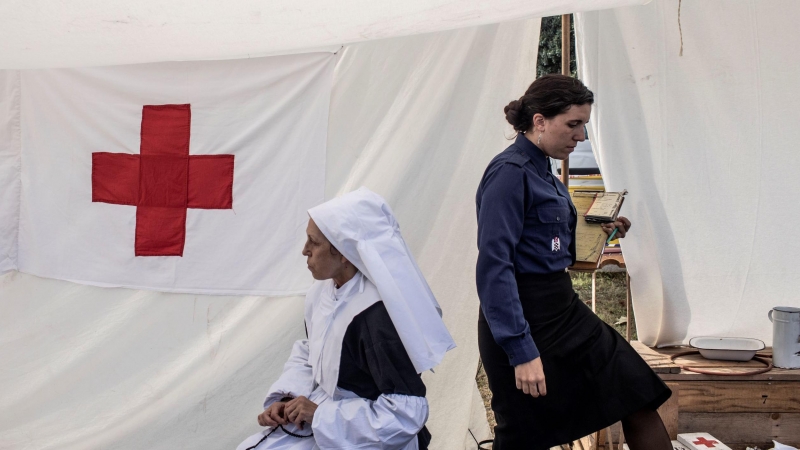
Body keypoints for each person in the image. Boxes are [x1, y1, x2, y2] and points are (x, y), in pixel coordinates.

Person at [475, 74, 673, 450]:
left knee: (637, 394)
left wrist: (602, 232)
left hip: (563, 311)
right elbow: (495, 268)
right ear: (539, 121)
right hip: (523, 317)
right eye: (573, 124)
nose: (581, 136)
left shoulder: (541, 169)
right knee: (524, 436)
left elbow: (544, 241)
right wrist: (521, 351)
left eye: (583, 124)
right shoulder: (508, 174)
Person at [236, 187, 456, 450]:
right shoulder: (323, 293)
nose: (305, 250)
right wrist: (288, 400)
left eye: (314, 242)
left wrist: (319, 415)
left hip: (365, 436)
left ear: (343, 252)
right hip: (327, 420)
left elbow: (406, 412)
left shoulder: (376, 317)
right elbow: (312, 354)